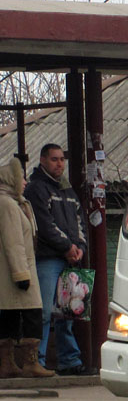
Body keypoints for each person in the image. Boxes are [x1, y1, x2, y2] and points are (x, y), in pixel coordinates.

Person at [24, 144, 87, 374]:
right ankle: (37, 361)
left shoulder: (68, 191)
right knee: (43, 312)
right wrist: (68, 247)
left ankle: (69, 361)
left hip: (70, 259)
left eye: (62, 159)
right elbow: (44, 225)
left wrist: (79, 247)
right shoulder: (36, 189)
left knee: (67, 313)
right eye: (54, 159)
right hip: (47, 260)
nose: (59, 164)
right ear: (42, 160)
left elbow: (80, 223)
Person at [1, 156, 53, 378]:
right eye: (20, 177)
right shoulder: (7, 204)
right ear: (10, 179)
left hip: (14, 271)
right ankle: (29, 363)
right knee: (32, 313)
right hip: (17, 271)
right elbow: (13, 242)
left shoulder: (14, 202)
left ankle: (8, 363)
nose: (24, 182)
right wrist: (21, 274)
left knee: (10, 315)